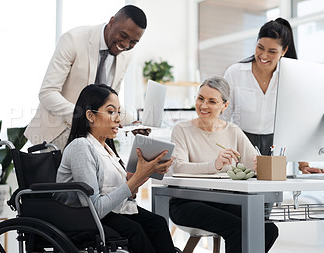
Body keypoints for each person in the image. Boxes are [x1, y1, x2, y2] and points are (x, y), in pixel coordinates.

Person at [56, 84, 179, 253]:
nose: (118, 119)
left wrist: (144, 173)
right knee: (135, 231)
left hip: (109, 211)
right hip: (84, 216)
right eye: (111, 111)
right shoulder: (81, 147)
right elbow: (95, 208)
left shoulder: (106, 148)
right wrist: (134, 180)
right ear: (90, 115)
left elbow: (126, 194)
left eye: (118, 112)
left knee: (157, 223)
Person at [169, 77, 278, 253]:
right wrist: (215, 165)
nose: (203, 106)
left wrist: (260, 165)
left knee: (268, 229)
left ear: (224, 106)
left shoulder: (233, 131)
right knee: (236, 228)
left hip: (223, 201)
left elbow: (254, 163)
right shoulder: (182, 129)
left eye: (212, 101)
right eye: (200, 98)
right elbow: (180, 167)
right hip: (186, 203)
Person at [25, 5, 147, 150]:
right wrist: (84, 118)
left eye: (133, 42)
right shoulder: (73, 39)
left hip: (91, 140)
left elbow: (111, 101)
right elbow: (47, 92)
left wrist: (132, 123)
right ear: (112, 22)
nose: (126, 44)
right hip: (55, 136)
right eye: (123, 36)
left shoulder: (125, 56)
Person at [222, 17, 320, 174]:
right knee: (240, 193)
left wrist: (304, 165)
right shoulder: (235, 72)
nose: (264, 55)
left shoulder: (291, 78)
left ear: (284, 51)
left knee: (269, 196)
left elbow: (297, 121)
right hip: (240, 142)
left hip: (275, 146)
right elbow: (222, 116)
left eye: (272, 51)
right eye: (260, 47)